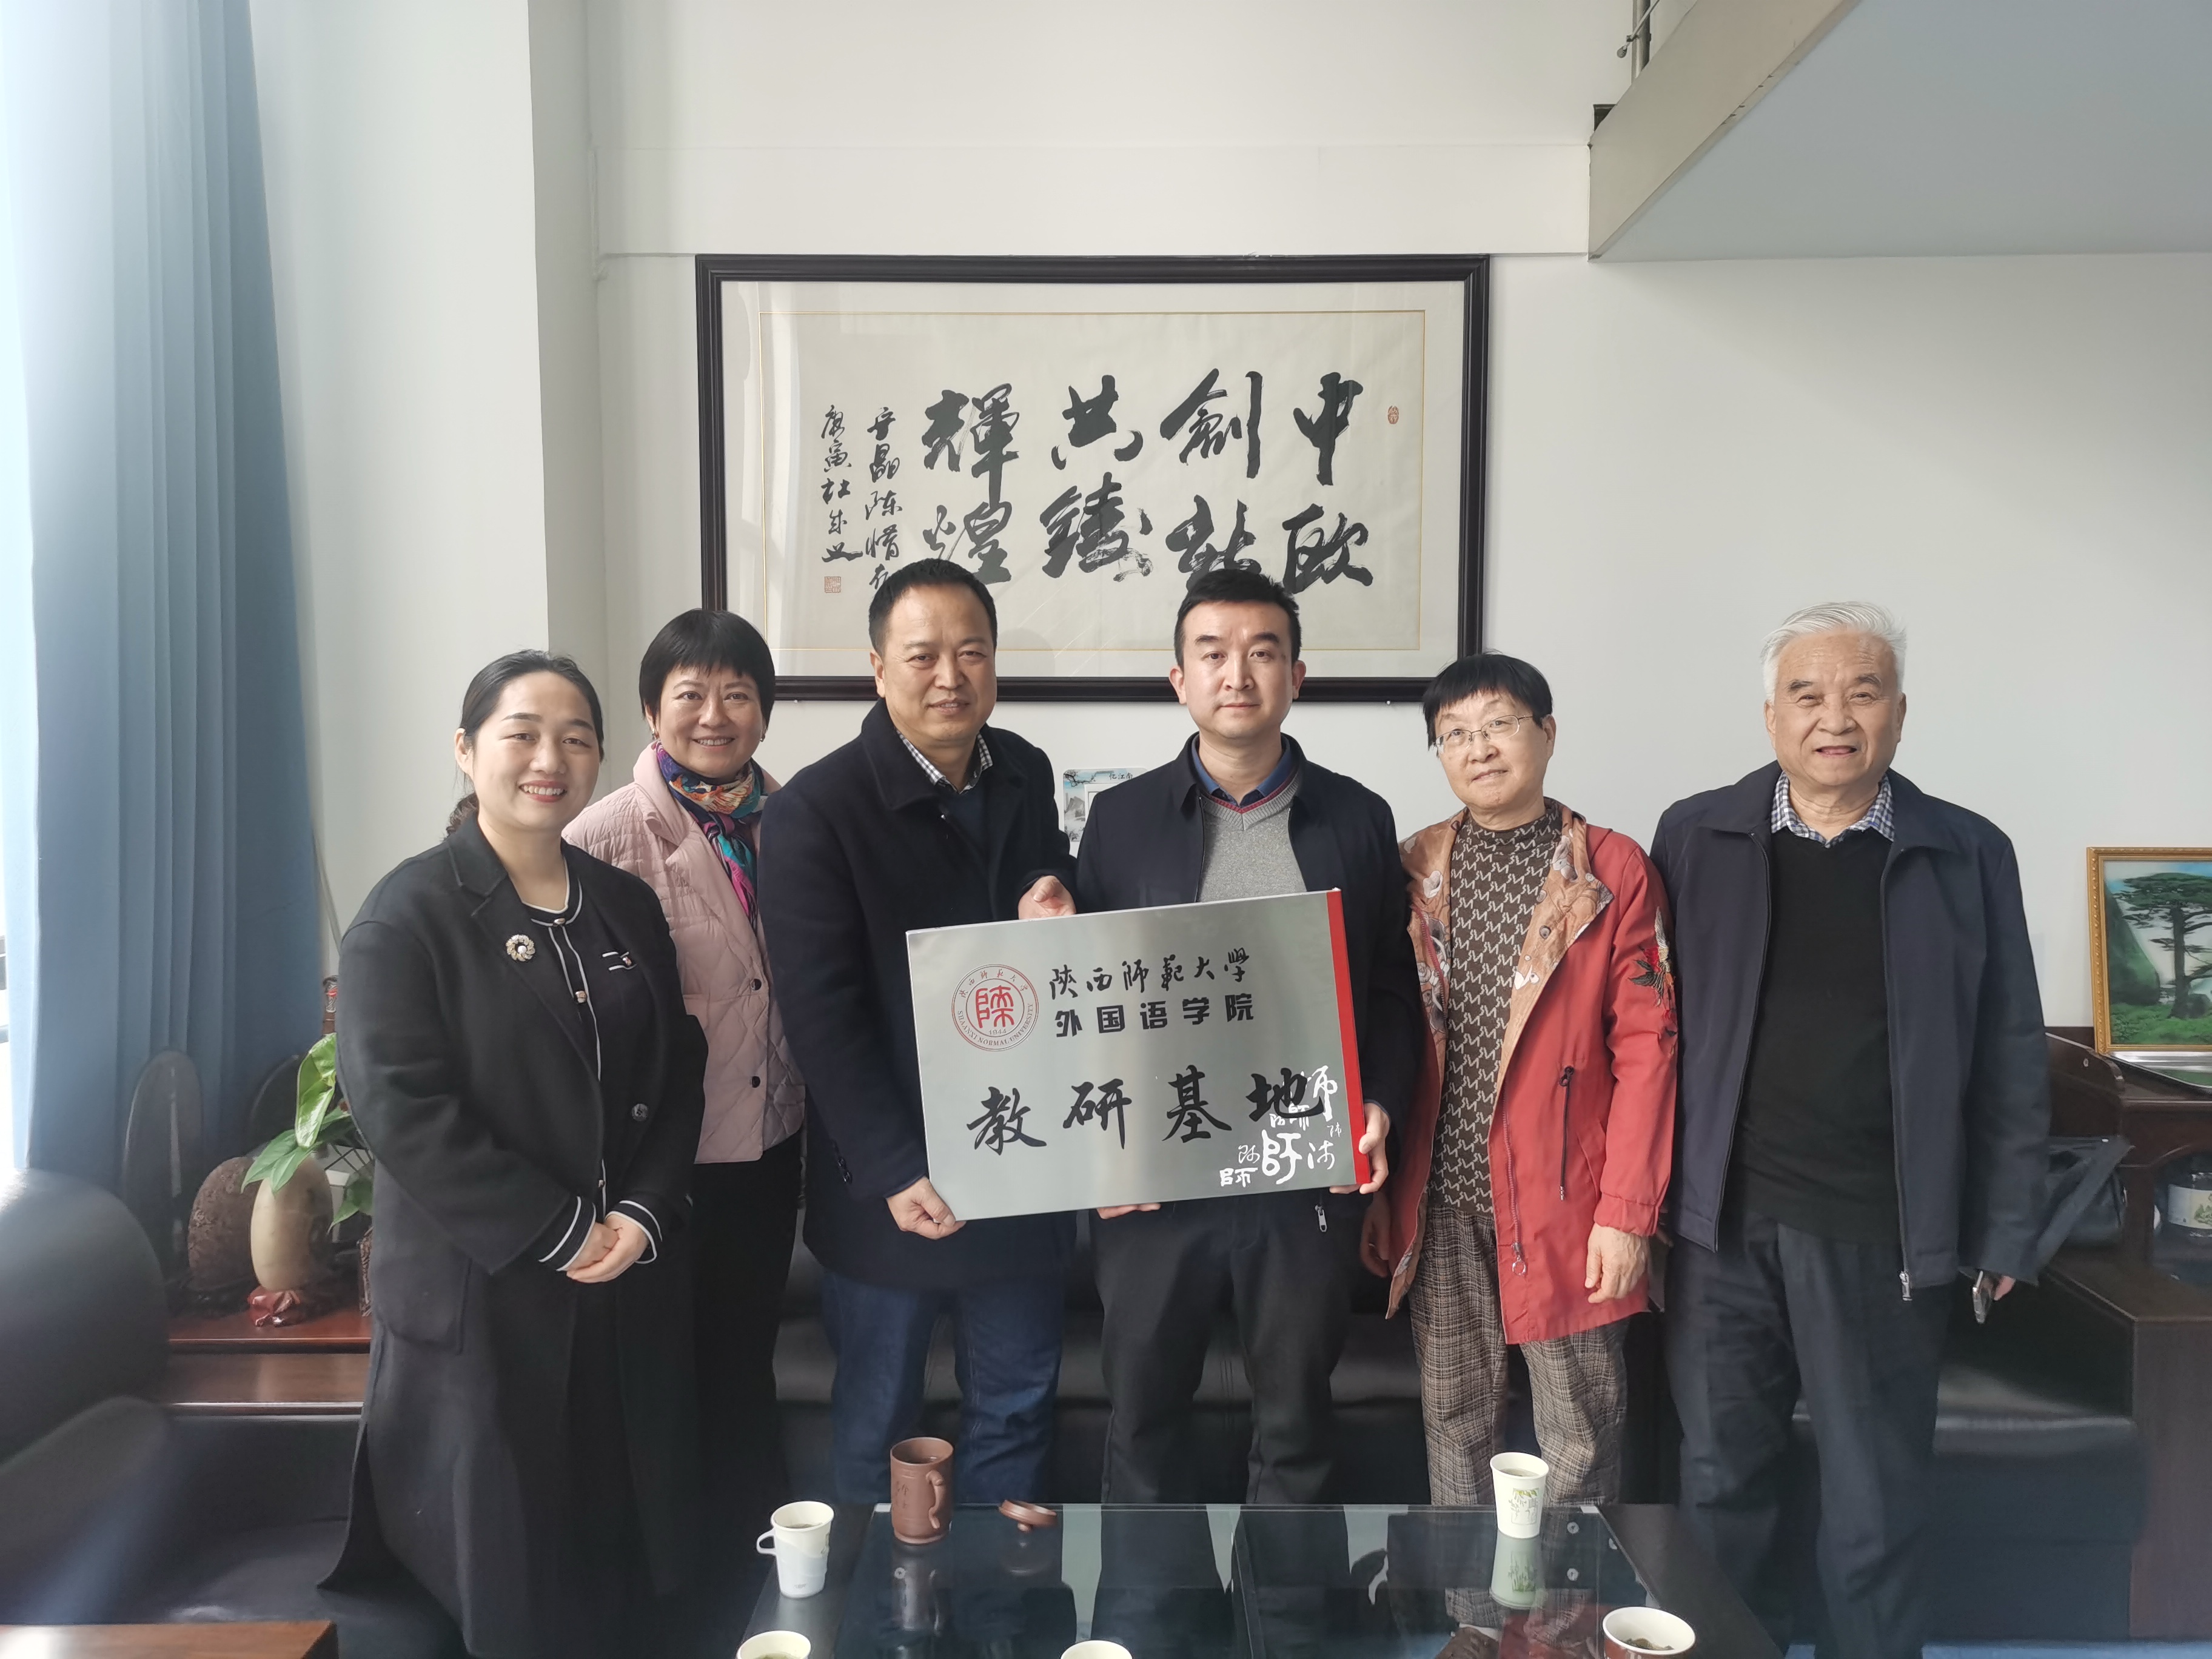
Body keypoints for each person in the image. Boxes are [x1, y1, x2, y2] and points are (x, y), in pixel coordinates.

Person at [1652, 602, 2048, 1659]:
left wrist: (2007, 1223)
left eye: (1862, 694)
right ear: (1770, 716)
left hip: (1882, 1231)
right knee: (1719, 1483)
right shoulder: (1696, 834)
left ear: (1900, 714)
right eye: (1809, 694)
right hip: (1721, 1226)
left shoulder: (1965, 851)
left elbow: (2010, 1042)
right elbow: (1648, 1026)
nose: (1836, 718)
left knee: (1875, 1504)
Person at [329, 652, 708, 1658]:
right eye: (523, 734)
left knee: (624, 1556)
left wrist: (641, 1213)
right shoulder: (408, 914)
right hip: (486, 1301)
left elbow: (680, 1067)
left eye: (576, 738)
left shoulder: (622, 903)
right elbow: (400, 1107)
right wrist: (560, 1228)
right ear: (466, 750)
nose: (552, 758)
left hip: (622, 1285)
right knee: (514, 1582)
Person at [1074, 566, 1419, 1504]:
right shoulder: (1119, 820)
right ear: (1178, 679)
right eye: (1213, 653)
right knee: (1143, 1423)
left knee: (1297, 1428)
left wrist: (1379, 1102)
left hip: (1300, 1174)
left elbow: (1390, 987)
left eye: (1263, 652)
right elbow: (1090, 1001)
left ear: (1296, 676)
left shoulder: (1357, 817)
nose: (1238, 674)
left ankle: (1290, 1599)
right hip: (1157, 1181)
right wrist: (1100, 1155)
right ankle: (1148, 1602)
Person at [757, 559, 1078, 1506]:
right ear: (877, 667)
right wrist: (895, 1167)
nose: (951, 676)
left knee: (1017, 1410)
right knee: (880, 1426)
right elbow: (820, 1012)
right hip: (892, 1185)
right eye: (923, 655)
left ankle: (1004, 1592)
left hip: (1020, 1164)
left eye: (972, 652)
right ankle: (879, 1594)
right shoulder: (816, 809)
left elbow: (1048, 894)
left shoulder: (1024, 769)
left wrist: (1056, 893)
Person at [1362, 652, 1676, 1511]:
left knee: (1581, 1427)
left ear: (1547, 732)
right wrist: (1384, 1198)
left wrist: (1627, 1214)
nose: (1480, 748)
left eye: (1499, 724)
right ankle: (1464, 1590)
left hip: (1568, 1202)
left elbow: (1649, 1048)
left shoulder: (1609, 869)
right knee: (1453, 1420)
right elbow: (1384, 1027)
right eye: (1455, 734)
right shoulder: (1414, 868)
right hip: (1441, 1201)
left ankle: (1566, 1596)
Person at [564, 609, 804, 1611]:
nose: (715, 714)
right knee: (664, 1382)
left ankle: (761, 1586)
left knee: (744, 1369)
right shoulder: (602, 837)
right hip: (658, 1170)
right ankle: (672, 1597)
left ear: (764, 711)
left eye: (737, 693)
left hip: (770, 1150)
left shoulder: (796, 821)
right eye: (691, 694)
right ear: (652, 710)